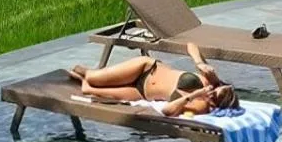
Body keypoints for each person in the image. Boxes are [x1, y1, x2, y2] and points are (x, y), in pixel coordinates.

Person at [68, 42, 240, 116]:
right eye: (215, 88)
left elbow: (167, 110)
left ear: (215, 104)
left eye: (213, 96)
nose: (211, 91)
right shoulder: (211, 79)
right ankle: (84, 72)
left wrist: (195, 95)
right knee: (92, 77)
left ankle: (83, 80)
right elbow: (191, 45)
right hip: (146, 69)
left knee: (89, 89)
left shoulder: (201, 106)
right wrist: (200, 62)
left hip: (141, 93)